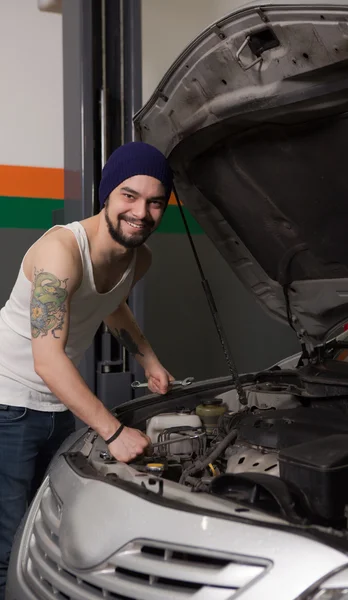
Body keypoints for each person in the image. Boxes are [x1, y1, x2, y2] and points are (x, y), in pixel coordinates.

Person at [0, 141, 175, 598]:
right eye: (129, 196)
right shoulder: (61, 251)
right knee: (7, 543)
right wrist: (114, 433)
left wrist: (149, 360)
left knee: (45, 528)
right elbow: (47, 359)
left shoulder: (139, 258)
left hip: (55, 402)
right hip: (7, 402)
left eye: (155, 201)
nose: (141, 212)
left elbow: (111, 305)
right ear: (107, 195)